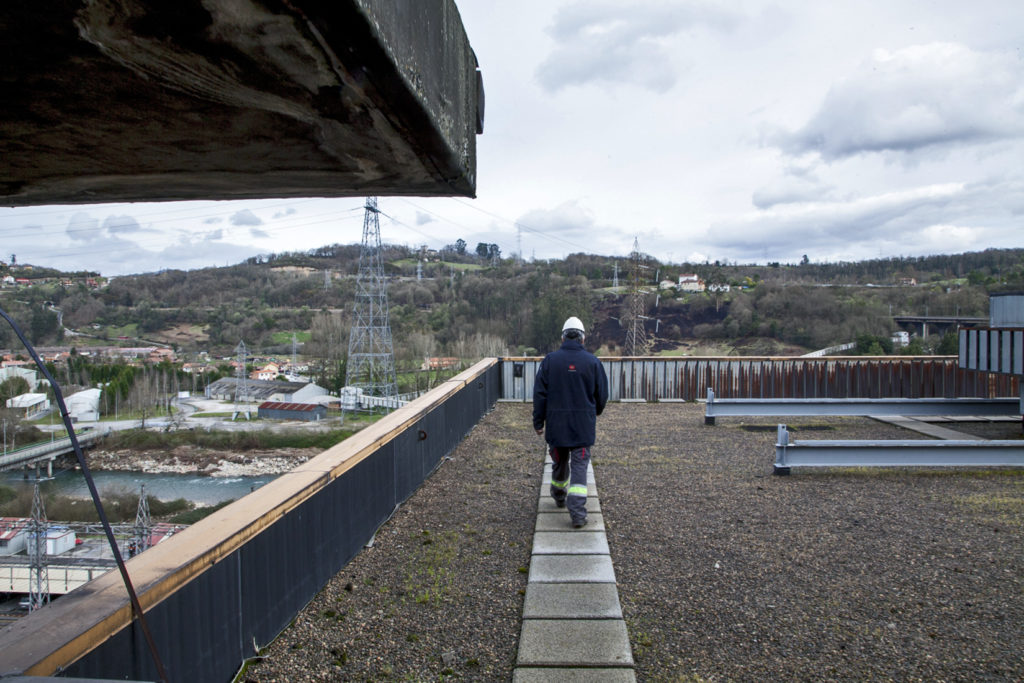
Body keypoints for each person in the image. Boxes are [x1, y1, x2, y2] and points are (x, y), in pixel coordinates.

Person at [532, 316, 609, 528]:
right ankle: (578, 514)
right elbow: (602, 395)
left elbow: (540, 394)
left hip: (556, 427)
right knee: (579, 466)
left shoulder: (549, 361)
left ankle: (558, 494)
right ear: (583, 338)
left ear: (563, 337)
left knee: (559, 461)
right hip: (583, 427)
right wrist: (594, 413)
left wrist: (538, 422)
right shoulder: (593, 362)